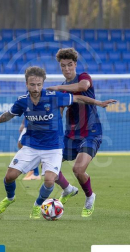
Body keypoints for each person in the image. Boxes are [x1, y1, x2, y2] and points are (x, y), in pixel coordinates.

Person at [0, 66, 115, 219]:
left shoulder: (53, 97)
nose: (36, 88)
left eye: (39, 84)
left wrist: (99, 103)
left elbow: (78, 98)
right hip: (31, 146)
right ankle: (10, 198)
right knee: (9, 176)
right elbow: (9, 114)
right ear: (26, 84)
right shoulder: (22, 101)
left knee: (49, 180)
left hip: (53, 147)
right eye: (32, 84)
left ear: (43, 83)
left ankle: (37, 206)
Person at [46, 48, 103, 217]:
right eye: (63, 66)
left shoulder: (84, 77)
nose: (67, 69)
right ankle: (68, 189)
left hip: (91, 133)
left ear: (75, 64)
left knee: (78, 169)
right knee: (49, 166)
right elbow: (59, 111)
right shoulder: (62, 89)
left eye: (70, 65)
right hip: (70, 136)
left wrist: (57, 87)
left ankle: (90, 196)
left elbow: (83, 86)